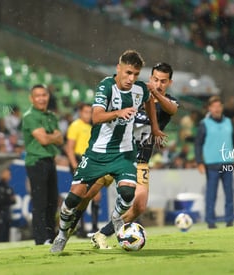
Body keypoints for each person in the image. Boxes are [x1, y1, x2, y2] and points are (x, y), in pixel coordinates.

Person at [50, 49, 164, 253]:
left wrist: (155, 127)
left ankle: (116, 217)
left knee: (128, 194)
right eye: (128, 73)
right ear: (118, 68)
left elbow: (149, 101)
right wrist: (119, 112)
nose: (131, 78)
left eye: (136, 75)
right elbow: (96, 117)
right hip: (97, 154)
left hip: (125, 152)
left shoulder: (139, 89)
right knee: (73, 199)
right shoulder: (106, 86)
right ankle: (62, 234)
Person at [91, 62, 179, 248]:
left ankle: (100, 234)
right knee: (87, 193)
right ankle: (64, 229)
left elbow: (172, 109)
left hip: (140, 161)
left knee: (139, 206)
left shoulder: (167, 103)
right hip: (117, 155)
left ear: (169, 83)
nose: (158, 84)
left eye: (163, 81)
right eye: (155, 79)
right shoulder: (134, 96)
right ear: (149, 78)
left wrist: (154, 93)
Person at [22, 84, 64, 245]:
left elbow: (60, 139)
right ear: (31, 99)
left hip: (50, 160)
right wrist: (52, 136)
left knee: (52, 201)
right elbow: (44, 139)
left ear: (48, 97)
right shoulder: (29, 116)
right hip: (36, 162)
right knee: (40, 202)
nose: (41, 98)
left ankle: (50, 236)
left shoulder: (51, 116)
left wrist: (51, 136)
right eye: (37, 95)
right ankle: (40, 239)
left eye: (44, 95)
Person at [194, 95, 234, 228]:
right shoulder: (204, 124)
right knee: (211, 193)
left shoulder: (228, 122)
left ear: (222, 108)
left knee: (229, 192)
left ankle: (230, 220)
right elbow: (198, 144)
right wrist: (199, 162)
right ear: (209, 108)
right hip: (212, 164)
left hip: (228, 162)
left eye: (219, 106)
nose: (216, 109)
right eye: (214, 107)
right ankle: (210, 221)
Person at [64, 103, 102, 237]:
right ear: (80, 112)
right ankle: (80, 227)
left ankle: (93, 227)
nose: (88, 115)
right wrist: (74, 164)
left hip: (91, 161)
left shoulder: (91, 126)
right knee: (81, 195)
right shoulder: (75, 125)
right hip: (79, 160)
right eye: (85, 112)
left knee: (95, 195)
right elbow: (69, 147)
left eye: (89, 112)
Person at [0, 168, 16, 242]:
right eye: (6, 173)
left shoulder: (9, 188)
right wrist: (8, 199)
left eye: (9, 174)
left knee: (6, 233)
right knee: (0, 233)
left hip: (7, 213)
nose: (8, 176)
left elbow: (13, 200)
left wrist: (6, 199)